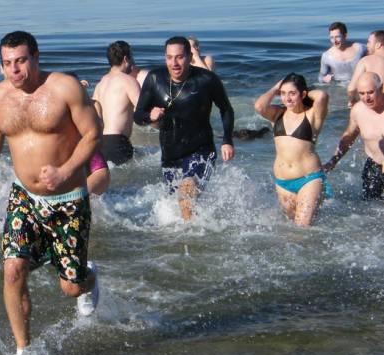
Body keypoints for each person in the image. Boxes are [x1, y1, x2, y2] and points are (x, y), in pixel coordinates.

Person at [0, 31, 101, 355]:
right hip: (25, 196)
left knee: (71, 287)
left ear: (35, 57)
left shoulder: (65, 88)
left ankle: (89, 276)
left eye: (20, 61)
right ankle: (23, 352)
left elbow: (93, 134)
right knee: (13, 269)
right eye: (7, 63)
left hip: (68, 198)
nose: (14, 70)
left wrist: (65, 172)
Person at [133, 36, 235, 221]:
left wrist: (227, 140)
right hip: (170, 155)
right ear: (165, 58)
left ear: (189, 56)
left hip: (201, 151)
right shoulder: (155, 78)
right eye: (170, 57)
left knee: (186, 194)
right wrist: (149, 116)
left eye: (179, 57)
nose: (174, 63)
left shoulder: (206, 79)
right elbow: (138, 115)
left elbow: (226, 108)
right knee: (183, 202)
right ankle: (202, 230)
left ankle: (189, 240)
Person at [254, 74, 330, 226]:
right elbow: (259, 106)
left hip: (309, 179)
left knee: (302, 226)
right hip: (282, 182)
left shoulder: (312, 115)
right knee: (291, 230)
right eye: (283, 94)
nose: (287, 99)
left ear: (302, 94)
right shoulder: (277, 115)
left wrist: (305, 92)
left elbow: (322, 96)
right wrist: (276, 87)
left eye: (292, 94)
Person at [324, 72, 384, 200]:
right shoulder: (358, 110)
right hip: (373, 168)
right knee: (370, 209)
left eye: (370, 92)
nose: (366, 98)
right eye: (361, 93)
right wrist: (333, 161)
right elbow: (348, 138)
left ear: (381, 88)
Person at [91, 41, 141, 166]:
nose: (134, 62)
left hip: (99, 143)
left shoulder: (99, 85)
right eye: (132, 57)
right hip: (118, 143)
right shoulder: (128, 81)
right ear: (126, 59)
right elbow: (142, 110)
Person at [347, 30, 384, 106]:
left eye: (369, 42)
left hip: (373, 105)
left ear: (378, 45)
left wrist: (352, 101)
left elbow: (351, 89)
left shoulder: (366, 61)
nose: (367, 45)